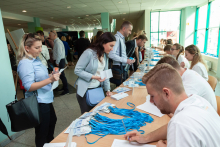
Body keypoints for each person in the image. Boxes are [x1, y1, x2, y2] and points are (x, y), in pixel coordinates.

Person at [124, 63, 220, 147]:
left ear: (166, 93)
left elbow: (177, 125)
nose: (151, 101)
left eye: (152, 96)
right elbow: (171, 126)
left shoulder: (180, 123)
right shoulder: (198, 100)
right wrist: (145, 138)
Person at [17, 33, 60, 147]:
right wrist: (50, 79)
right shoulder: (25, 63)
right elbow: (29, 86)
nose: (40, 50)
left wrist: (50, 75)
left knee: (51, 123)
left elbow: (40, 77)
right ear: (27, 48)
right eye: (37, 47)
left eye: (41, 46)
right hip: (38, 102)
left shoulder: (36, 60)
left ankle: (50, 144)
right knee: (42, 131)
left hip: (45, 99)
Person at [74, 32, 115, 114]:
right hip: (85, 90)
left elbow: (105, 73)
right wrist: (94, 77)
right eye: (111, 46)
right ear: (103, 43)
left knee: (96, 113)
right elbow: (77, 70)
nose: (112, 49)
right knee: (87, 115)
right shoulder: (89, 53)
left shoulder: (105, 55)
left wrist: (108, 89)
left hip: (97, 88)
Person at [109, 21, 135, 86]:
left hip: (122, 68)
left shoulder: (121, 39)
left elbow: (120, 54)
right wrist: (126, 60)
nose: (130, 32)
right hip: (119, 68)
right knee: (121, 89)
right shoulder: (117, 38)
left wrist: (128, 59)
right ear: (124, 29)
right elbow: (111, 54)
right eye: (129, 30)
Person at [49, 30, 69, 95]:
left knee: (62, 75)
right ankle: (64, 88)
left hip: (59, 61)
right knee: (61, 75)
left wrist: (57, 62)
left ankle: (66, 90)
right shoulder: (56, 42)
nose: (49, 36)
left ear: (54, 35)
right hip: (59, 60)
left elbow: (59, 53)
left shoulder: (58, 42)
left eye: (50, 35)